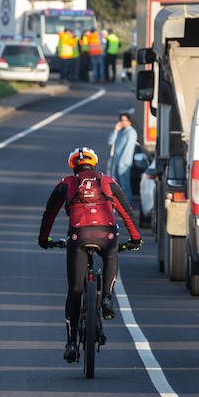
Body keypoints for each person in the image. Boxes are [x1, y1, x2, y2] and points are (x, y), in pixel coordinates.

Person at [38, 147, 141, 362]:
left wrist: (44, 239)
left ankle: (71, 343)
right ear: (94, 164)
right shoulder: (107, 181)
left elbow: (50, 213)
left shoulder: (66, 183)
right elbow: (126, 212)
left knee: (74, 291)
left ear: (73, 165)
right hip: (107, 234)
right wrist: (135, 238)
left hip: (78, 235)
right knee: (111, 256)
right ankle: (106, 298)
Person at [108, 112, 139, 201]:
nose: (123, 122)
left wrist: (122, 162)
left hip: (124, 163)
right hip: (116, 163)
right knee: (117, 188)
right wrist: (115, 130)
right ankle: (119, 208)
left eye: (125, 120)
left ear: (130, 121)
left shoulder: (131, 132)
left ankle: (128, 208)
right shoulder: (120, 132)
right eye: (122, 120)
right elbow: (110, 142)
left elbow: (128, 149)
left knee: (125, 187)